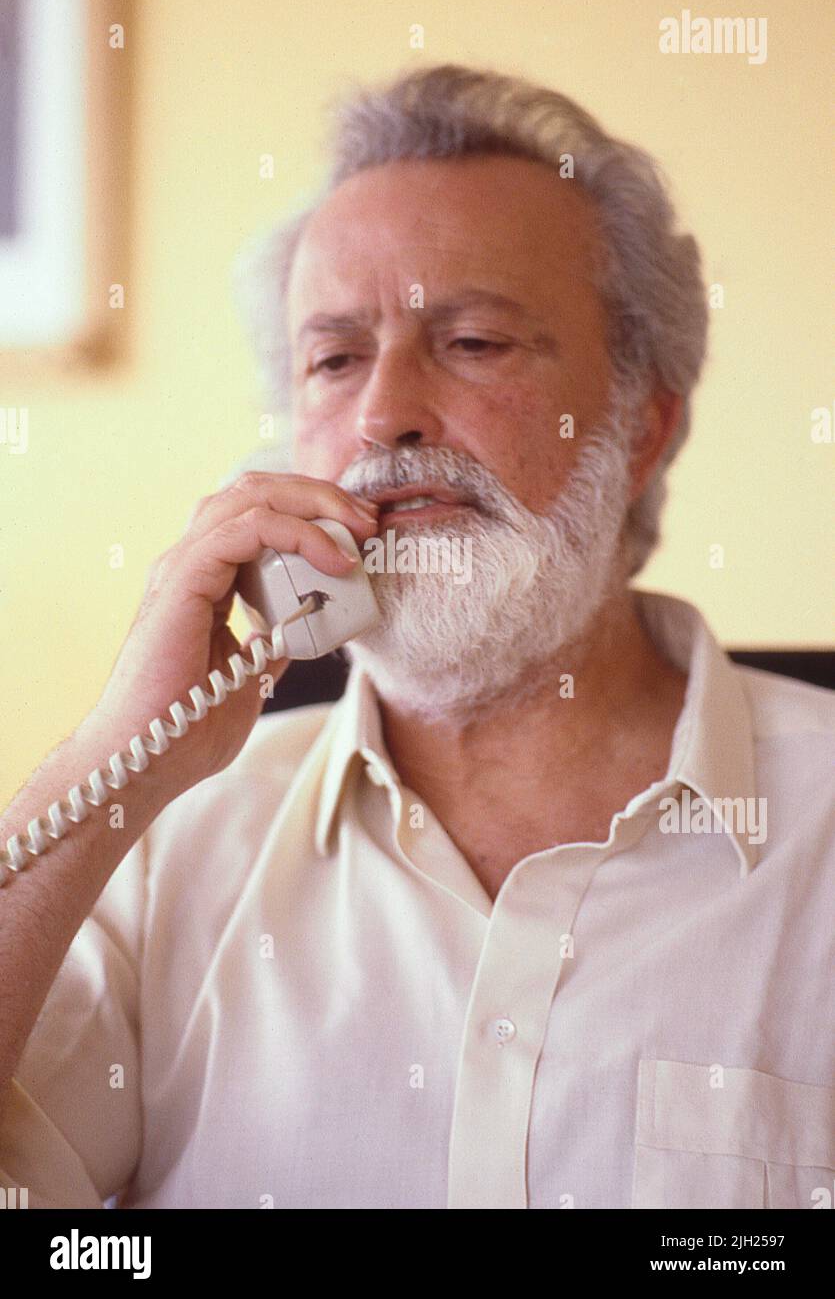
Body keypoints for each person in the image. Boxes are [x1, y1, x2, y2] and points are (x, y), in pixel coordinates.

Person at [1, 64, 832, 1211]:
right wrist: (108, 759)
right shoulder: (156, 843)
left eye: (476, 341)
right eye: (334, 358)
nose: (385, 411)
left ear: (642, 424)